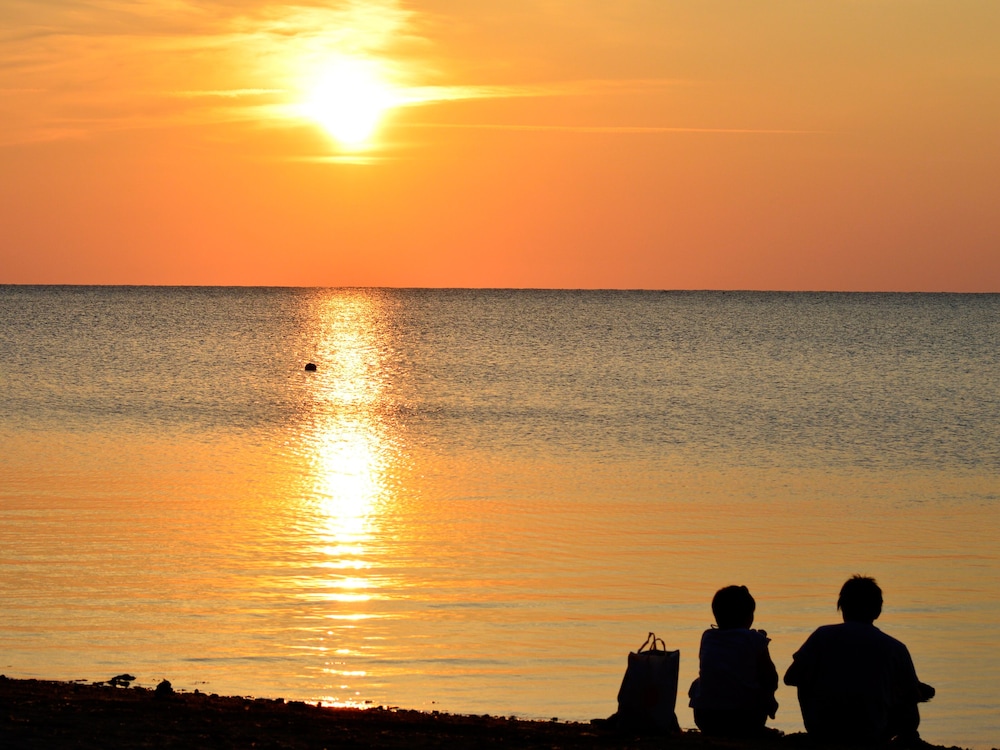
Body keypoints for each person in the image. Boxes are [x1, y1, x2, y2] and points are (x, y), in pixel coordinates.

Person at [784, 575, 935, 744]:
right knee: (909, 697)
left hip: (823, 729)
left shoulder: (821, 636)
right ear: (878, 610)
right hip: (872, 732)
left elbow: (790, 678)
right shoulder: (896, 648)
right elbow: (912, 695)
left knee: (804, 674)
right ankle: (909, 737)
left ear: (842, 607)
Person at [688, 585, 779, 737]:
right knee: (761, 687)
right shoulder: (754, 639)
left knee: (700, 682)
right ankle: (754, 729)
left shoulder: (708, 637)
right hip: (744, 719)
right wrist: (762, 644)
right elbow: (771, 679)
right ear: (748, 617)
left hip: (706, 719)